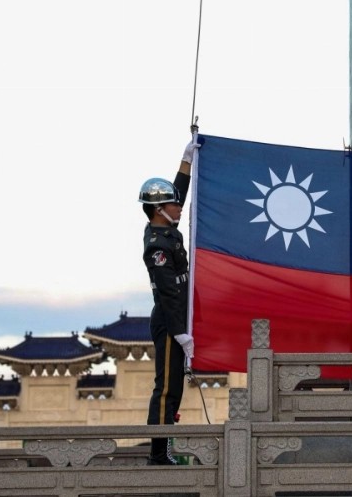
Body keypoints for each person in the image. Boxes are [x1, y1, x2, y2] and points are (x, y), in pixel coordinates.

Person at [138, 138, 197, 465]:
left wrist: (186, 162)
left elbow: (177, 195)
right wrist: (179, 332)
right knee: (166, 389)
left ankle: (163, 449)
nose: (179, 207)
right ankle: (158, 453)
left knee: (175, 387)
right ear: (158, 210)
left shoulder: (164, 227)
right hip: (168, 318)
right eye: (173, 205)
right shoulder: (157, 245)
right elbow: (169, 293)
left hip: (177, 317)